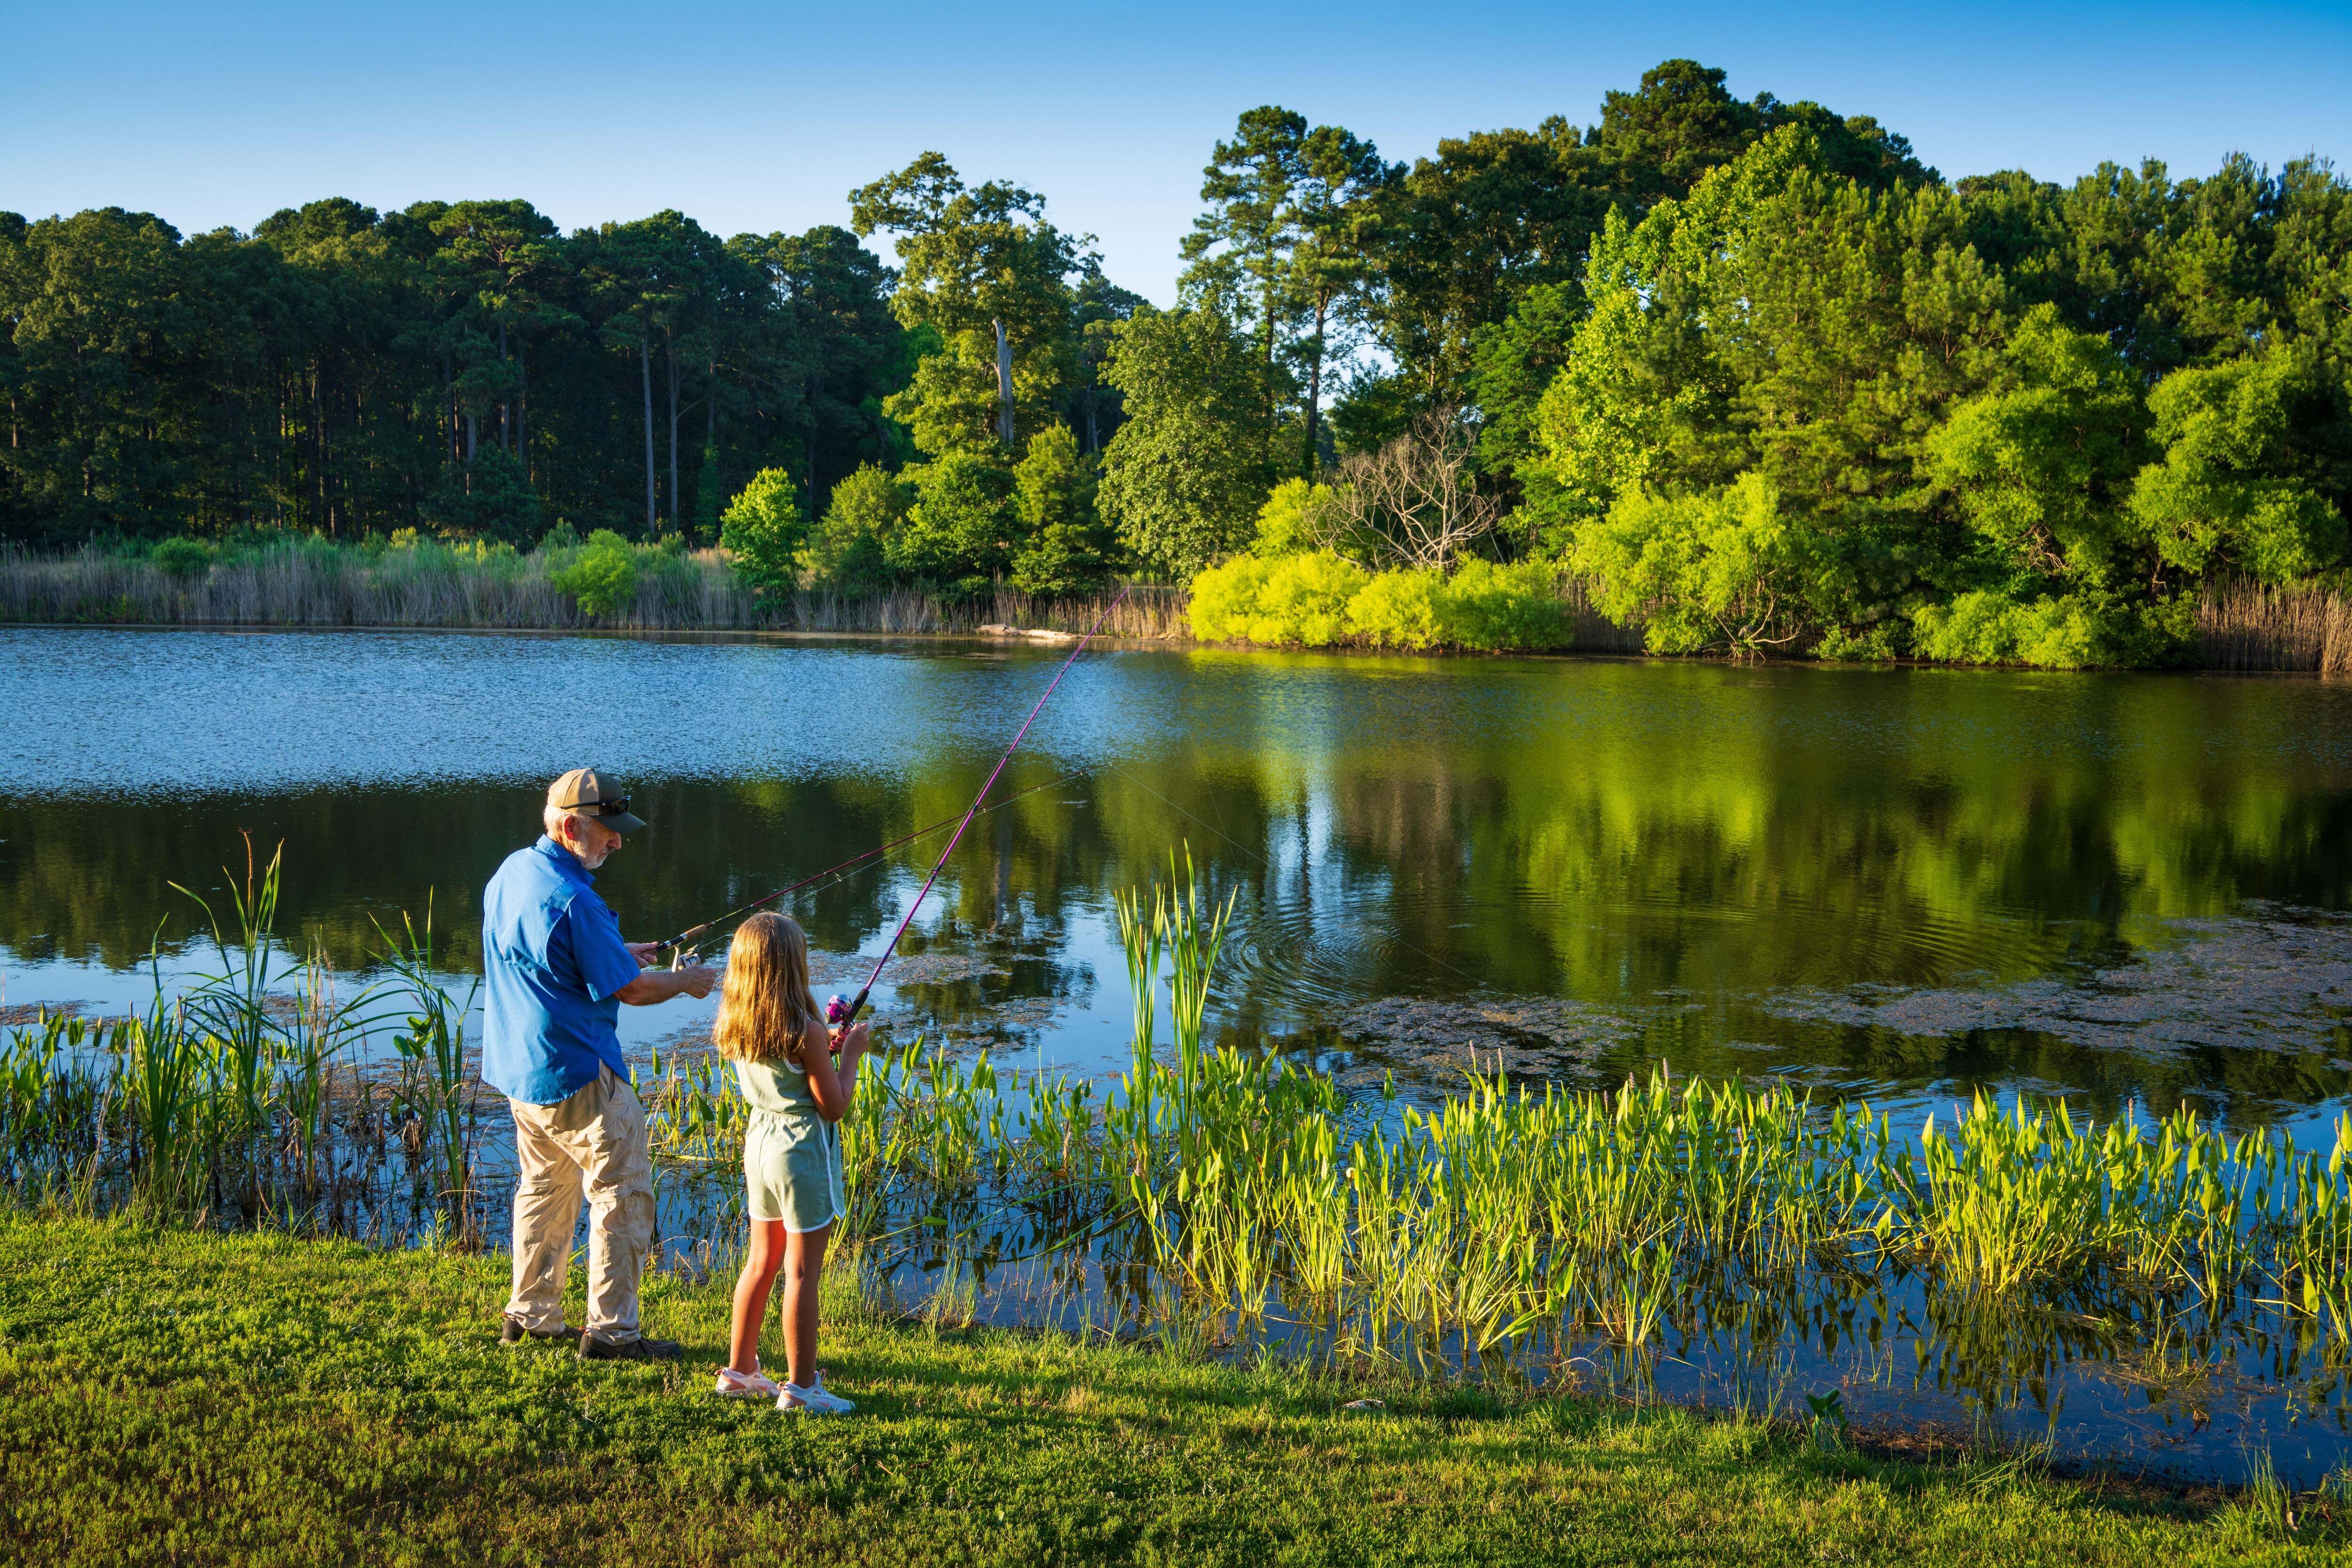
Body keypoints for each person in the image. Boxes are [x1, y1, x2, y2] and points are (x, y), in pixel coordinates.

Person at [482, 767, 717, 1361]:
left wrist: (618, 951)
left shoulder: (513, 871)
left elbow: (549, 955)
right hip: (580, 1075)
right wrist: (686, 982)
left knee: (543, 1190)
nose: (617, 841)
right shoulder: (575, 900)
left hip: (521, 1072)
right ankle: (614, 1334)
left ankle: (530, 1316)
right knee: (623, 1194)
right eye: (606, 831)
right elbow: (633, 992)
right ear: (569, 826)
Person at [709, 912, 868, 1412]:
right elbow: (834, 1106)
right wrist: (853, 1055)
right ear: (792, 967)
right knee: (801, 1274)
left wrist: (827, 1052)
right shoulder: (807, 1031)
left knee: (761, 1261)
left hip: (758, 1146)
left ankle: (739, 1372)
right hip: (799, 1153)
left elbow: (797, 1072)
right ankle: (800, 1388)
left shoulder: (737, 1024)